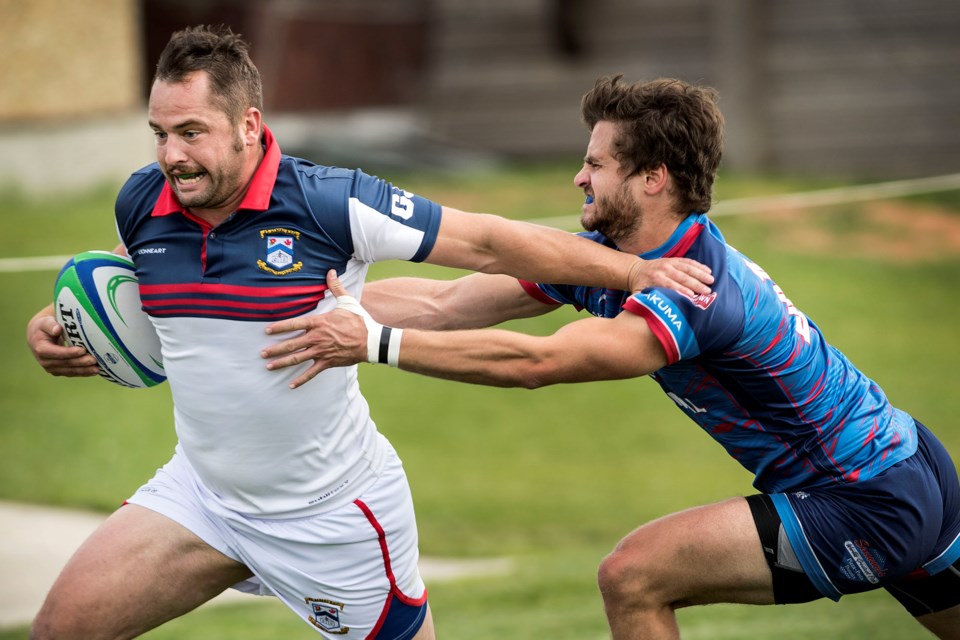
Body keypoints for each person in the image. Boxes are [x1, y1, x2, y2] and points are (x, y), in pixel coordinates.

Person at [24, 27, 715, 639]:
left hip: (332, 515)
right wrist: (63, 325)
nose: (171, 156)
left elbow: (486, 242)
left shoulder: (330, 201)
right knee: (59, 629)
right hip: (203, 497)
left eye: (192, 132)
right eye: (160, 132)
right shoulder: (142, 201)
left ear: (248, 125)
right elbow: (137, 290)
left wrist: (631, 274)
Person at [261, 75, 960, 639]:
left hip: (862, 499)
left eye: (595, 163)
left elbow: (538, 364)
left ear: (652, 178)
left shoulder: (694, 289)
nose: (577, 178)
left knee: (632, 577)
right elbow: (446, 304)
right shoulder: (616, 258)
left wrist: (373, 345)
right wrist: (305, 301)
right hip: (913, 460)